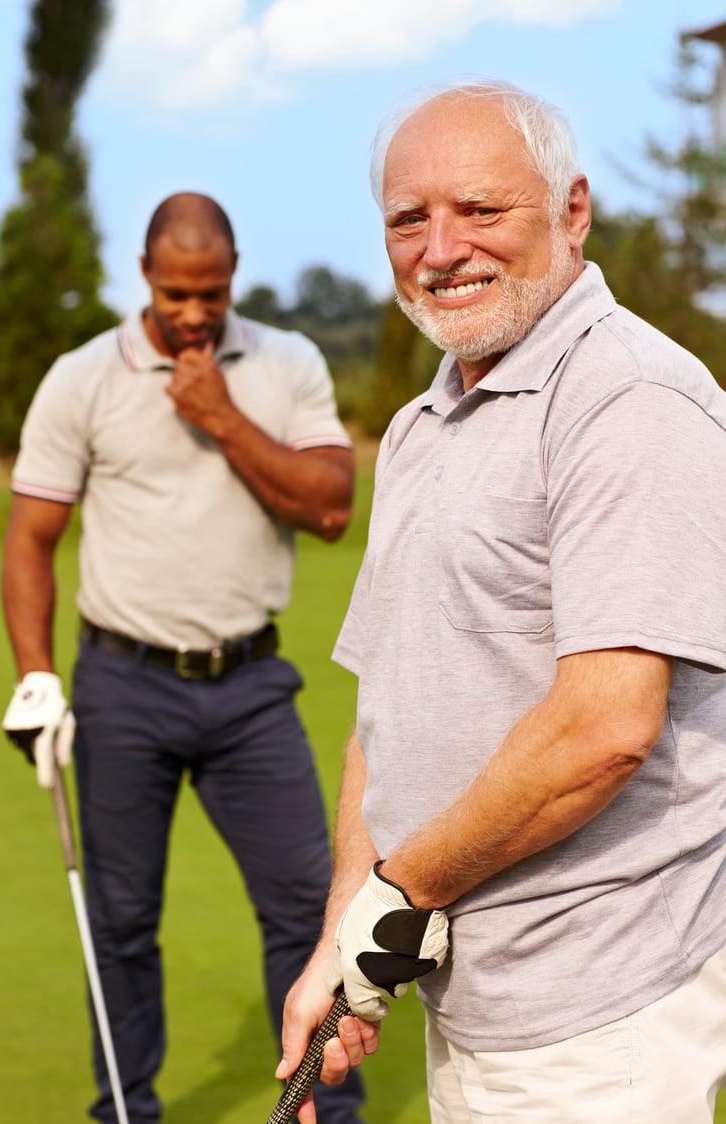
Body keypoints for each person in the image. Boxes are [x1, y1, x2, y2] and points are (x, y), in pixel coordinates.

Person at [277, 80, 726, 1124]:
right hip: (471, 1003)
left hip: (598, 1009)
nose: (440, 249)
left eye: (479, 210)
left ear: (570, 212)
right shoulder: (417, 426)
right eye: (407, 219)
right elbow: (385, 714)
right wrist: (348, 929)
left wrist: (403, 885)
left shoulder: (629, 401)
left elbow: (603, 726)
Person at [0, 191, 365, 1124]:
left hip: (251, 688)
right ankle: (128, 1111)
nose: (195, 312)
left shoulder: (286, 362)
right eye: (176, 294)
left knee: (304, 912)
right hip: (122, 687)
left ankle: (325, 1108)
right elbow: (30, 539)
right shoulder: (81, 378)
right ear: (145, 276)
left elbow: (329, 507)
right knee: (120, 925)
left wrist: (223, 418)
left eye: (211, 292)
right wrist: (36, 675)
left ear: (234, 271)